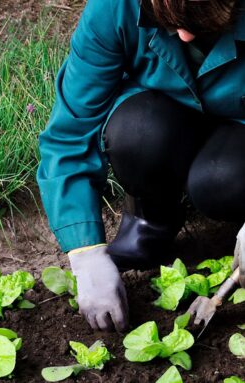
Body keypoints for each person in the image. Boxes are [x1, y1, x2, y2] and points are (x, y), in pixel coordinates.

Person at [37, 0, 245, 332]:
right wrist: (84, 251)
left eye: (201, 24)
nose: (184, 37)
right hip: (164, 116)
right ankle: (150, 223)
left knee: (220, 181)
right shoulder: (116, 7)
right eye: (169, 22)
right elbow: (71, 132)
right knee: (137, 135)